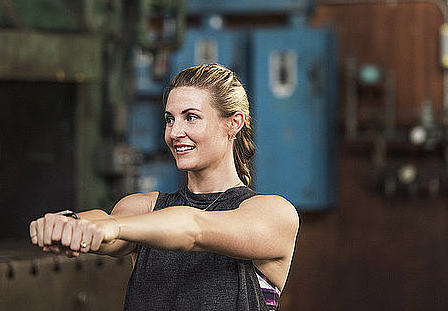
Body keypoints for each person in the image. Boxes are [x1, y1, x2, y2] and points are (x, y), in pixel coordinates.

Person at [29, 63, 299, 311]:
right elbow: (106, 223)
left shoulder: (272, 214)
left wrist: (114, 228)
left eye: (190, 117)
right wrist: (70, 224)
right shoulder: (144, 207)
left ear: (233, 123)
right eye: (170, 119)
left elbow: (194, 228)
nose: (174, 132)